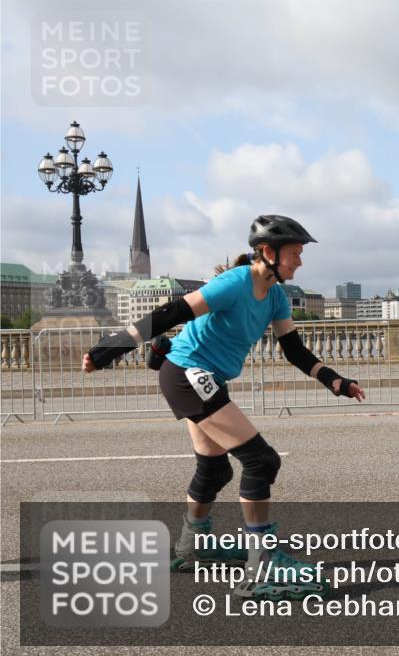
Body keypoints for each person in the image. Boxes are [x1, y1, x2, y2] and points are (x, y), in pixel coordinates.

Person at [82, 214, 365, 600]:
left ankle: (192, 546)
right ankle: (262, 562)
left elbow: (294, 349)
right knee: (261, 460)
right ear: (268, 252)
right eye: (295, 254)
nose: (300, 261)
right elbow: (173, 312)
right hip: (187, 373)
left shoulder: (277, 296)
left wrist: (334, 379)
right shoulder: (234, 283)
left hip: (200, 378)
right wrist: (110, 348)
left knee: (214, 470)